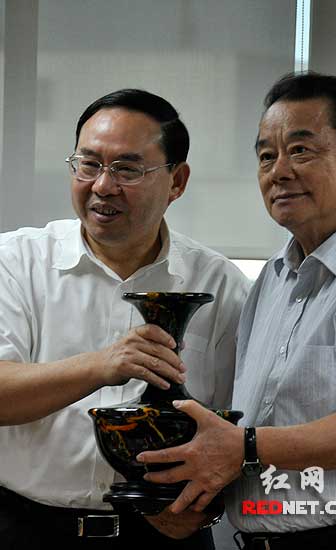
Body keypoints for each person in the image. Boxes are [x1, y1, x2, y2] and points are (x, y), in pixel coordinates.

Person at [136, 72, 336, 550]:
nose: (278, 171)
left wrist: (246, 447)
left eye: (300, 150)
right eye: (265, 156)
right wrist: (196, 494)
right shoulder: (272, 278)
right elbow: (254, 425)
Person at [0, 88, 250, 549]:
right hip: (28, 528)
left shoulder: (221, 284)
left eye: (127, 169)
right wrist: (102, 365)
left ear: (177, 181)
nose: (102, 186)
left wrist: (207, 504)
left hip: (166, 534)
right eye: (88, 164)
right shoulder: (16, 262)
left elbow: (246, 426)